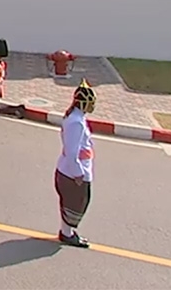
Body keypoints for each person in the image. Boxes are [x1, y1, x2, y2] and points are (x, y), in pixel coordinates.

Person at [56, 81, 96, 248]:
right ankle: (67, 234)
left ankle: (67, 232)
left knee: (70, 203)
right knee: (75, 203)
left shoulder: (76, 118)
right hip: (72, 173)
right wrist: (78, 173)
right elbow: (72, 151)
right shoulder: (76, 122)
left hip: (68, 170)